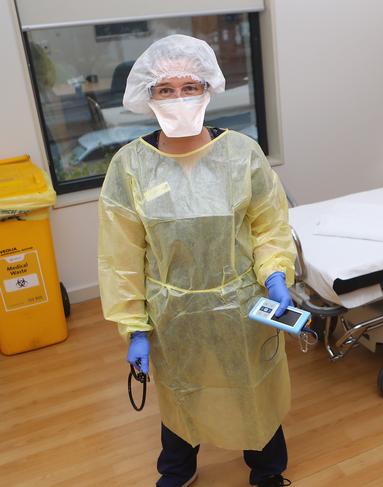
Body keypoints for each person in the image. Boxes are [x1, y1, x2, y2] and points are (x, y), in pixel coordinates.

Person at [97, 34, 296, 487]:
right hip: (173, 314)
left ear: (209, 89)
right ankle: (177, 470)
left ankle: (267, 472)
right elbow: (120, 257)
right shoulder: (130, 166)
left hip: (241, 306)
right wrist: (135, 329)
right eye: (166, 89)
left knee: (253, 390)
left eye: (190, 87)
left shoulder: (241, 154)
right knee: (181, 393)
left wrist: (277, 275)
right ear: (149, 97)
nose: (179, 98)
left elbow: (269, 227)